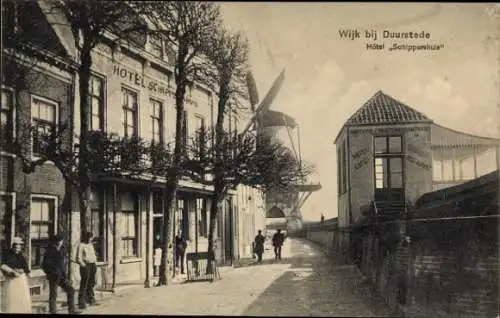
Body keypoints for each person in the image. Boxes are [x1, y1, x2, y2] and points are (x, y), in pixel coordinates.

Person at [42, 234, 81, 314]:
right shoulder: (49, 251)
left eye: (61, 241)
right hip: (53, 276)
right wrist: (50, 272)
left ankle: (72, 310)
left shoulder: (62, 250)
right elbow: (44, 265)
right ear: (56, 241)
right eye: (59, 241)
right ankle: (53, 311)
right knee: (53, 294)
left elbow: (63, 264)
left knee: (71, 290)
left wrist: (65, 274)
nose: (61, 242)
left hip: (62, 276)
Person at [0, 237, 32, 313]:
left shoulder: (20, 255)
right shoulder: (7, 255)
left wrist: (27, 272)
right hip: (12, 279)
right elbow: (3, 265)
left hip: (21, 279)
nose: (17, 249)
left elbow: (25, 265)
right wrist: (12, 271)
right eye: (16, 247)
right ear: (13, 247)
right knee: (13, 296)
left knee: (21, 296)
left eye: (19, 247)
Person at [76, 231, 98, 310]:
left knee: (91, 283)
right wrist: (83, 265)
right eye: (89, 238)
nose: (90, 240)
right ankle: (81, 302)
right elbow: (78, 258)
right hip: (86, 266)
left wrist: (95, 263)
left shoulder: (91, 245)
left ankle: (91, 299)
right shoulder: (81, 245)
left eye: (91, 239)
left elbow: (93, 255)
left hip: (93, 265)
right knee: (84, 283)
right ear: (86, 238)